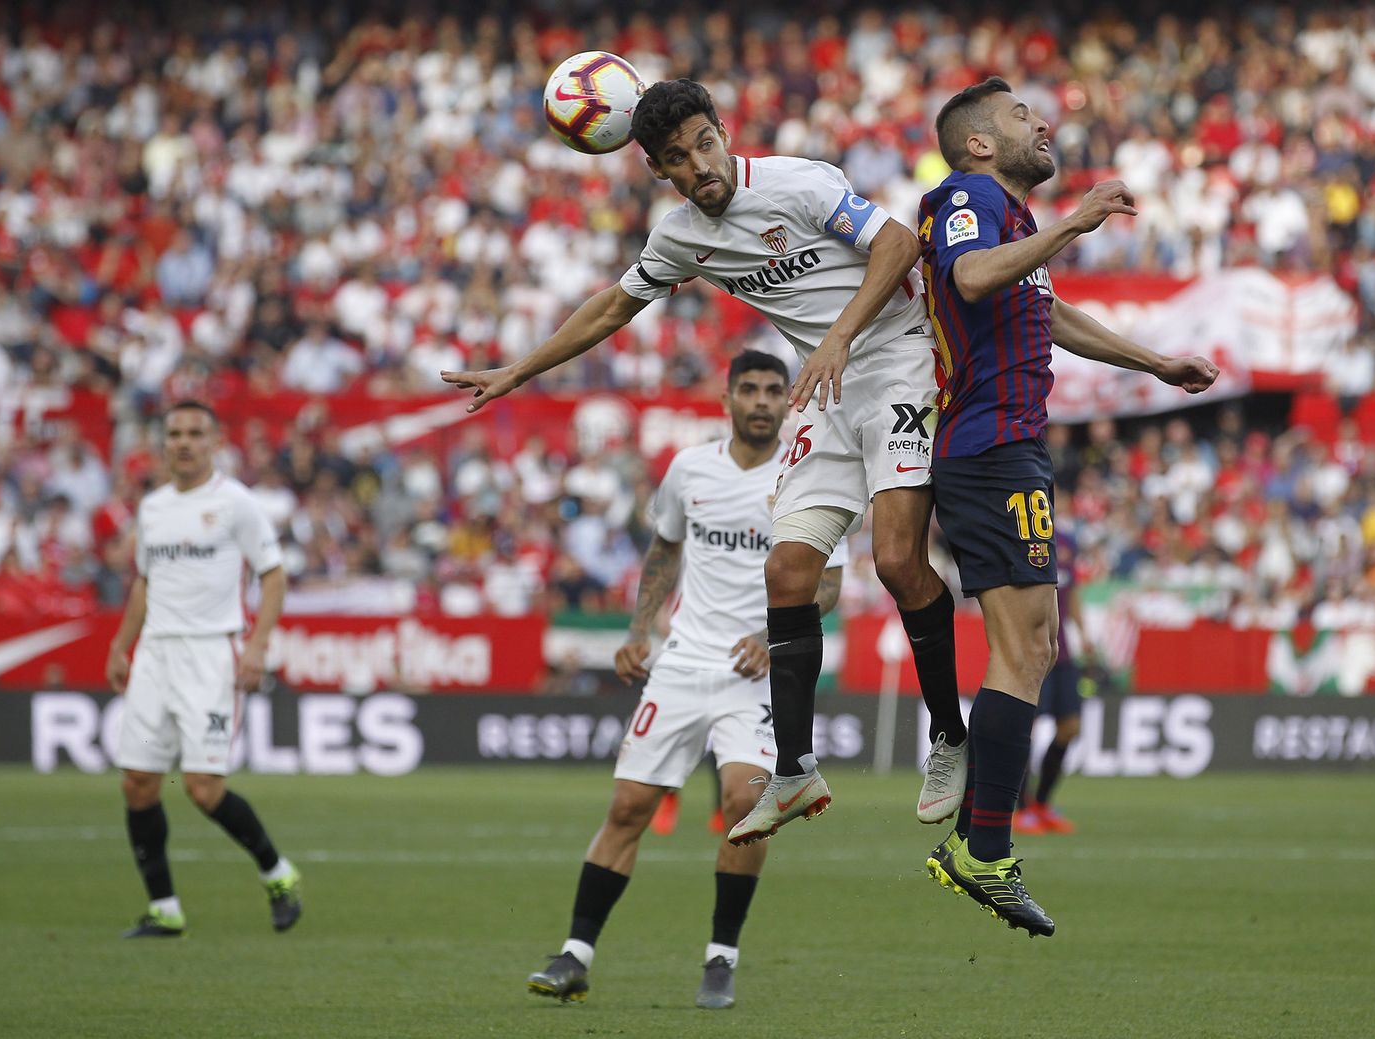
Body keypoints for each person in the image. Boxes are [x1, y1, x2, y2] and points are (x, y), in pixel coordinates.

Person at [443, 79, 969, 845]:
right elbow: (611, 307)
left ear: (723, 132)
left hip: (897, 360)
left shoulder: (796, 181)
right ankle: (794, 769)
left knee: (895, 559)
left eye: (702, 144)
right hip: (827, 389)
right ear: (659, 171)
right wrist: (516, 370)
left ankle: (951, 738)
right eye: (675, 160)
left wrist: (840, 336)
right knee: (787, 572)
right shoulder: (682, 236)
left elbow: (898, 243)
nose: (697, 167)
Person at [916, 78, 1219, 935]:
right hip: (988, 449)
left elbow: (1047, 310)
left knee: (1034, 645)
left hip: (1008, 450)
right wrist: (1077, 220)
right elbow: (971, 278)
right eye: (1019, 116)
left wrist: (1155, 363)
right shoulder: (970, 198)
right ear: (977, 142)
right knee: (1023, 649)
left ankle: (980, 838)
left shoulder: (1013, 223)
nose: (1041, 121)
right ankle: (984, 849)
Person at [526, 352, 846, 1009]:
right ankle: (575, 954)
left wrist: (771, 636)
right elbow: (665, 547)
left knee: (744, 803)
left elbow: (832, 580)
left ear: (789, 400)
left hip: (757, 674)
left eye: (772, 391)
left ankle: (720, 958)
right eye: (749, 389)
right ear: (727, 397)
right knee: (626, 809)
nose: (761, 401)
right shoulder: (689, 468)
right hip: (681, 663)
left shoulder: (808, 476)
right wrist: (639, 629)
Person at [104, 400, 302, 938]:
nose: (184, 442)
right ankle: (164, 908)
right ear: (163, 442)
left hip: (212, 653)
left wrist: (257, 647)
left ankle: (277, 872)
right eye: (175, 433)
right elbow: (145, 581)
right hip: (156, 653)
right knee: (138, 784)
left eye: (195, 432)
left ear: (214, 441)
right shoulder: (153, 508)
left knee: (203, 789)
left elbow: (274, 575)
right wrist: (122, 645)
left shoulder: (235, 503)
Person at [1015, 525, 1090, 836]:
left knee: (1070, 726)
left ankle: (1041, 803)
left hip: (1063, 652)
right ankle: (1017, 808)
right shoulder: (1020, 531)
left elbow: (1070, 592)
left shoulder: (1067, 539)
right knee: (1022, 729)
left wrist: (1083, 633)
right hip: (1031, 650)